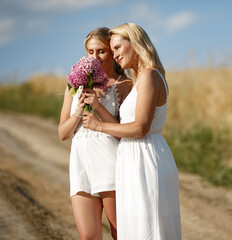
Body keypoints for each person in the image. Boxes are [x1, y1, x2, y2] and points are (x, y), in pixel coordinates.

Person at [82, 23, 182, 240]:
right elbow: (127, 125)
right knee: (137, 228)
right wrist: (98, 108)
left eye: (118, 47)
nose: (115, 55)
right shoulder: (143, 78)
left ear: (135, 43)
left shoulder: (149, 76)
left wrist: (99, 126)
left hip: (145, 157)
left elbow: (140, 127)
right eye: (113, 49)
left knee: (149, 226)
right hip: (133, 158)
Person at [58, 27, 133, 240]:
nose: (95, 57)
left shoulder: (124, 85)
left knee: (121, 232)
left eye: (101, 51)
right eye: (90, 52)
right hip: (81, 164)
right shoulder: (74, 85)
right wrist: (78, 112)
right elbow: (63, 133)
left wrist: (98, 106)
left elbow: (125, 133)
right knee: (89, 236)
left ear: (112, 53)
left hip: (110, 162)